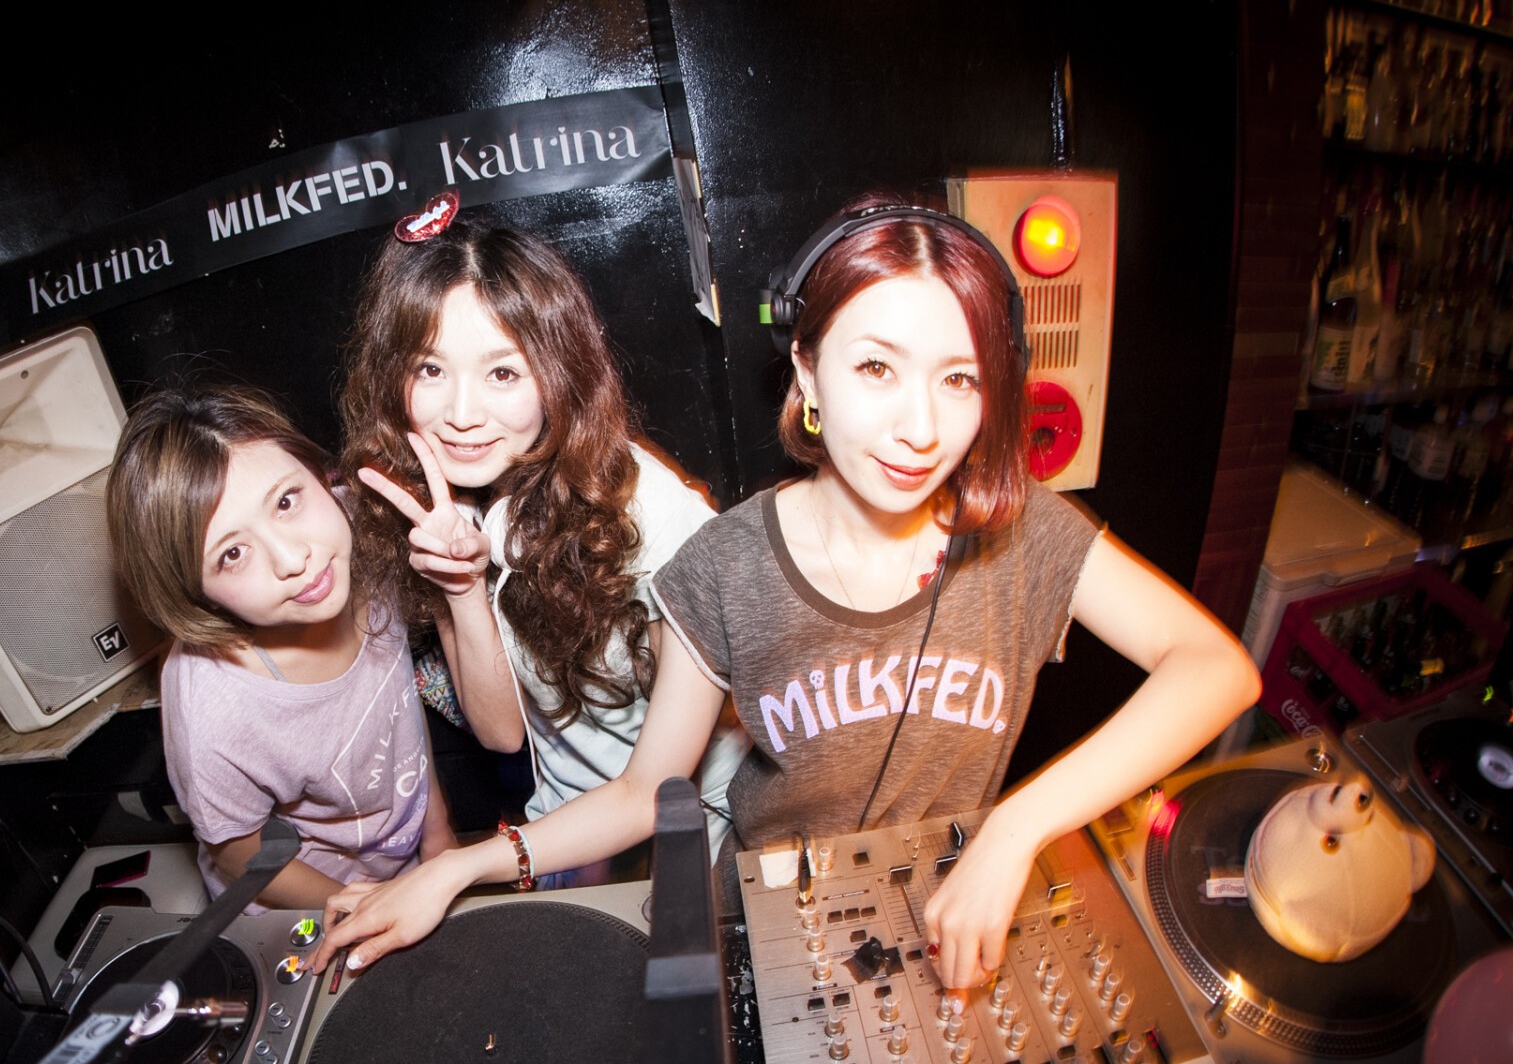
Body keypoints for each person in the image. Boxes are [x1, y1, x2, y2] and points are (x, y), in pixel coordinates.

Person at [315, 198, 1261, 989]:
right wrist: (461, 864)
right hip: (756, 907)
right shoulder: (727, 561)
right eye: (877, 367)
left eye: (959, 379)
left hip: (958, 901)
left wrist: (1016, 827)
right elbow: (639, 786)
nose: (921, 427)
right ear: (807, 369)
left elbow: (1218, 670)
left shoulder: (1027, 532)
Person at [339, 219, 749, 868]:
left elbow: (655, 791)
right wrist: (459, 588)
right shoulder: (442, 499)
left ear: (559, 375)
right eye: (431, 368)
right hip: (563, 822)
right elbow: (503, 733)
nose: (462, 414)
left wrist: (457, 869)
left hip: (698, 829)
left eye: (502, 373)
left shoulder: (654, 517)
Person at [106, 384, 455, 910]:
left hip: (401, 869)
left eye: (286, 502)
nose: (293, 559)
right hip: (304, 902)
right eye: (232, 554)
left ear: (318, 474)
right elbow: (237, 857)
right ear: (195, 593)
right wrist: (369, 909)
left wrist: (440, 836)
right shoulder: (214, 707)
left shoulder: (368, 539)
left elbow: (398, 720)